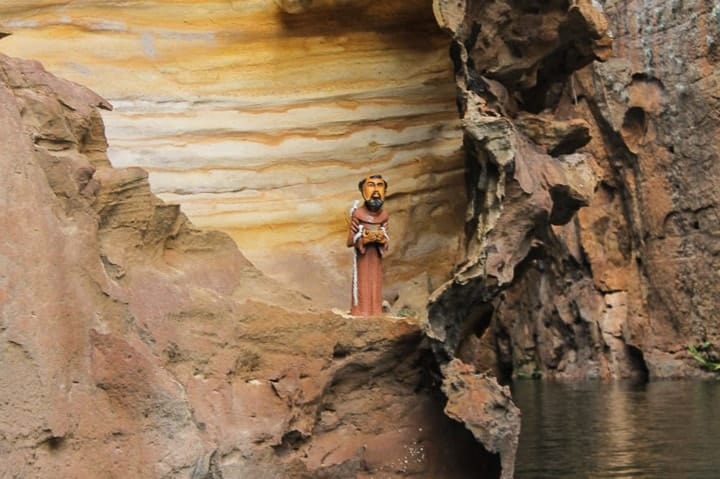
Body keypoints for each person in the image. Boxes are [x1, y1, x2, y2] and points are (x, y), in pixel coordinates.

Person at [347, 174, 389, 316]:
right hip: (363, 258)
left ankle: (375, 311)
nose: (376, 191)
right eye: (371, 186)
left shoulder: (384, 216)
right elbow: (350, 240)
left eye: (380, 186)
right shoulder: (358, 214)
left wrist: (382, 240)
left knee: (375, 283)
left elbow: (386, 238)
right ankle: (361, 311)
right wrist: (362, 240)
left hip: (376, 257)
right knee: (363, 284)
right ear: (363, 191)